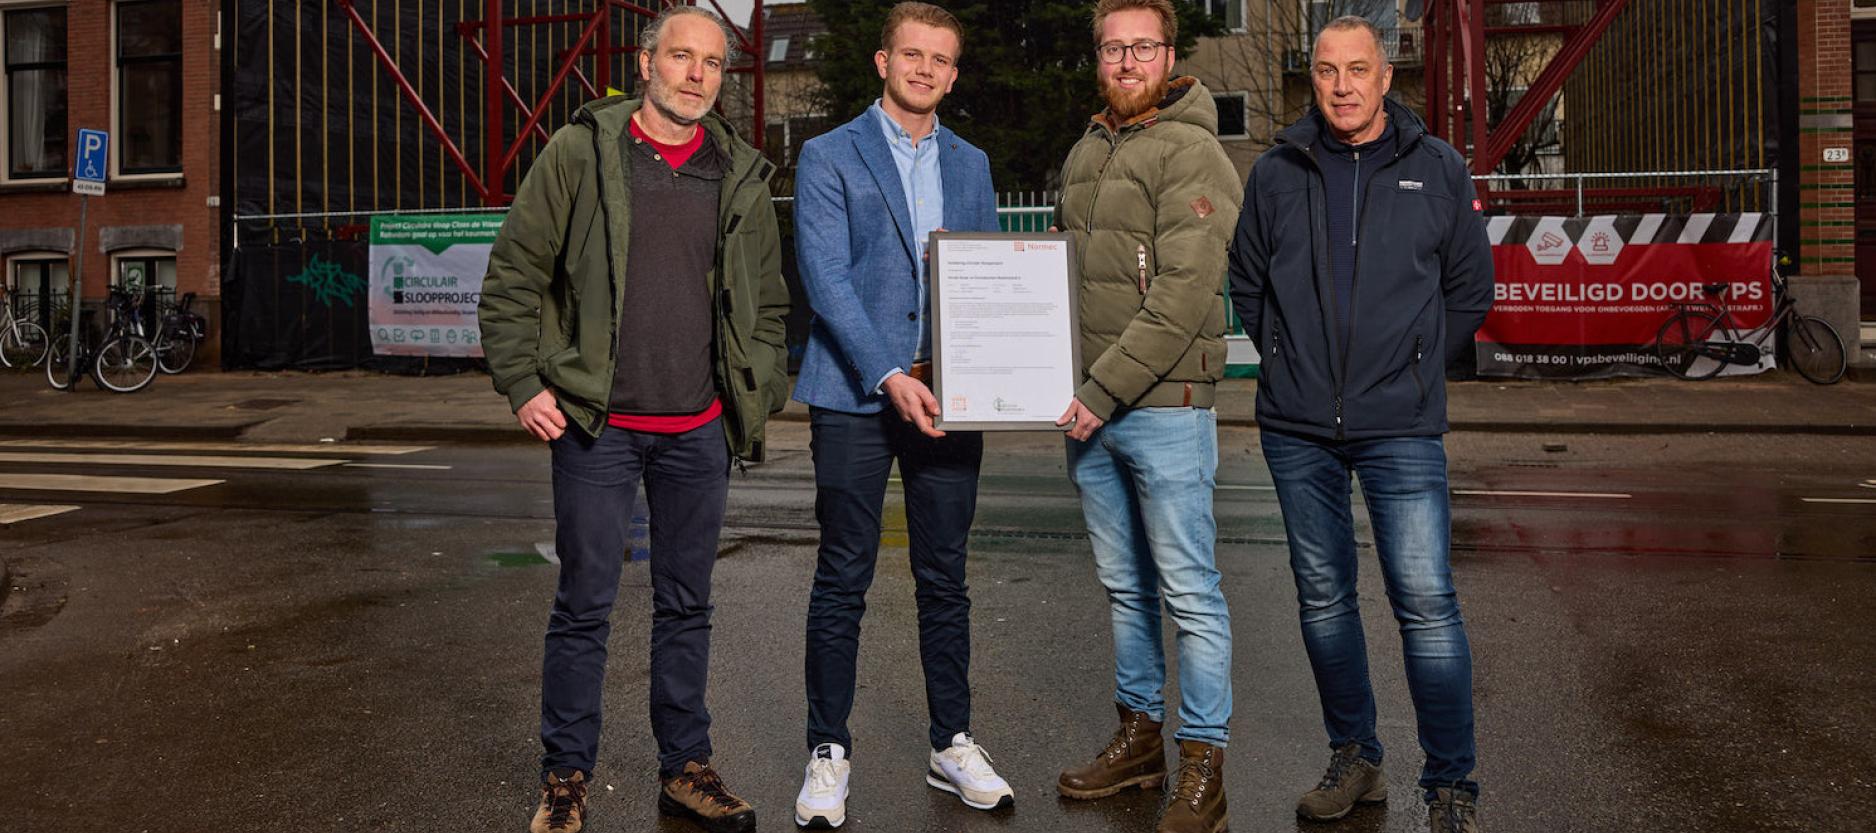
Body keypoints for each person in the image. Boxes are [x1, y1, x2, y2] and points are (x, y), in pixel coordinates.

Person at [476, 6, 790, 832]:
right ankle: (566, 776)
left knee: (688, 604)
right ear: (646, 63)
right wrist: (524, 383)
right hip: (597, 427)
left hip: (699, 429)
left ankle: (685, 766)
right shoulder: (584, 151)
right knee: (585, 602)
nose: (697, 74)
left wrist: (758, 389)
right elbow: (512, 277)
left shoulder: (739, 172)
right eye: (681, 56)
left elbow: (769, 305)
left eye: (713, 63)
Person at [1226, 15, 1495, 833]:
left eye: (1359, 70)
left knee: (1425, 601)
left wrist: (1412, 367)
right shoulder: (1277, 171)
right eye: (1327, 71)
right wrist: (1285, 361)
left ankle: (1451, 784)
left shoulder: (1437, 169)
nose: (1343, 86)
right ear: (1314, 80)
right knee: (1322, 598)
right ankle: (1358, 756)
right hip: (1296, 424)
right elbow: (1246, 282)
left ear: (1386, 80)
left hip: (1401, 424)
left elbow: (1468, 290)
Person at [788, 2, 1011, 828]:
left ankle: (951, 740)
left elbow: (988, 278)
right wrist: (887, 373)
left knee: (943, 577)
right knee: (843, 574)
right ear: (883, 62)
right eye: (911, 54)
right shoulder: (826, 154)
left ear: (953, 74)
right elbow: (826, 276)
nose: (925, 69)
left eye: (940, 59)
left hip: (949, 398)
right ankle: (827, 750)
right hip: (853, 393)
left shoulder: (974, 163)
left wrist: (999, 376)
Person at [1049, 2, 1241, 831]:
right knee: (1127, 589)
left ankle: (1204, 761)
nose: (1126, 62)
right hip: (1090, 410)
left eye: (1142, 48)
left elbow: (1183, 294)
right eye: (1112, 48)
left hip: (1161, 407)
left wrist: (1097, 392)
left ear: (1169, 55)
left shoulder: (1194, 150)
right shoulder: (1087, 149)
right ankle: (1140, 738)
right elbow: (1055, 284)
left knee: (1190, 592)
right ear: (1098, 57)